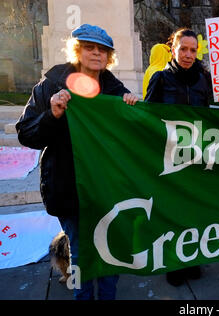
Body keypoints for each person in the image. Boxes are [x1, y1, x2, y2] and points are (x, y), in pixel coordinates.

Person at [15, 24, 138, 299]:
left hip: (106, 189)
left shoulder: (116, 91)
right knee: (81, 251)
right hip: (67, 186)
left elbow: (128, 139)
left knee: (110, 250)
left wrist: (131, 109)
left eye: (102, 50)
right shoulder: (50, 87)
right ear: (77, 51)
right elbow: (26, 133)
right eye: (89, 47)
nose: (96, 53)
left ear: (109, 57)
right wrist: (52, 114)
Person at [144, 27, 211, 286]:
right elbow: (147, 118)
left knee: (194, 211)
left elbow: (211, 117)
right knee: (172, 211)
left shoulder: (203, 79)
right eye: (183, 48)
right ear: (172, 48)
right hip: (169, 158)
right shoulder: (160, 79)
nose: (188, 54)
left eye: (193, 50)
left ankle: (192, 258)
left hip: (197, 156)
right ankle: (173, 262)